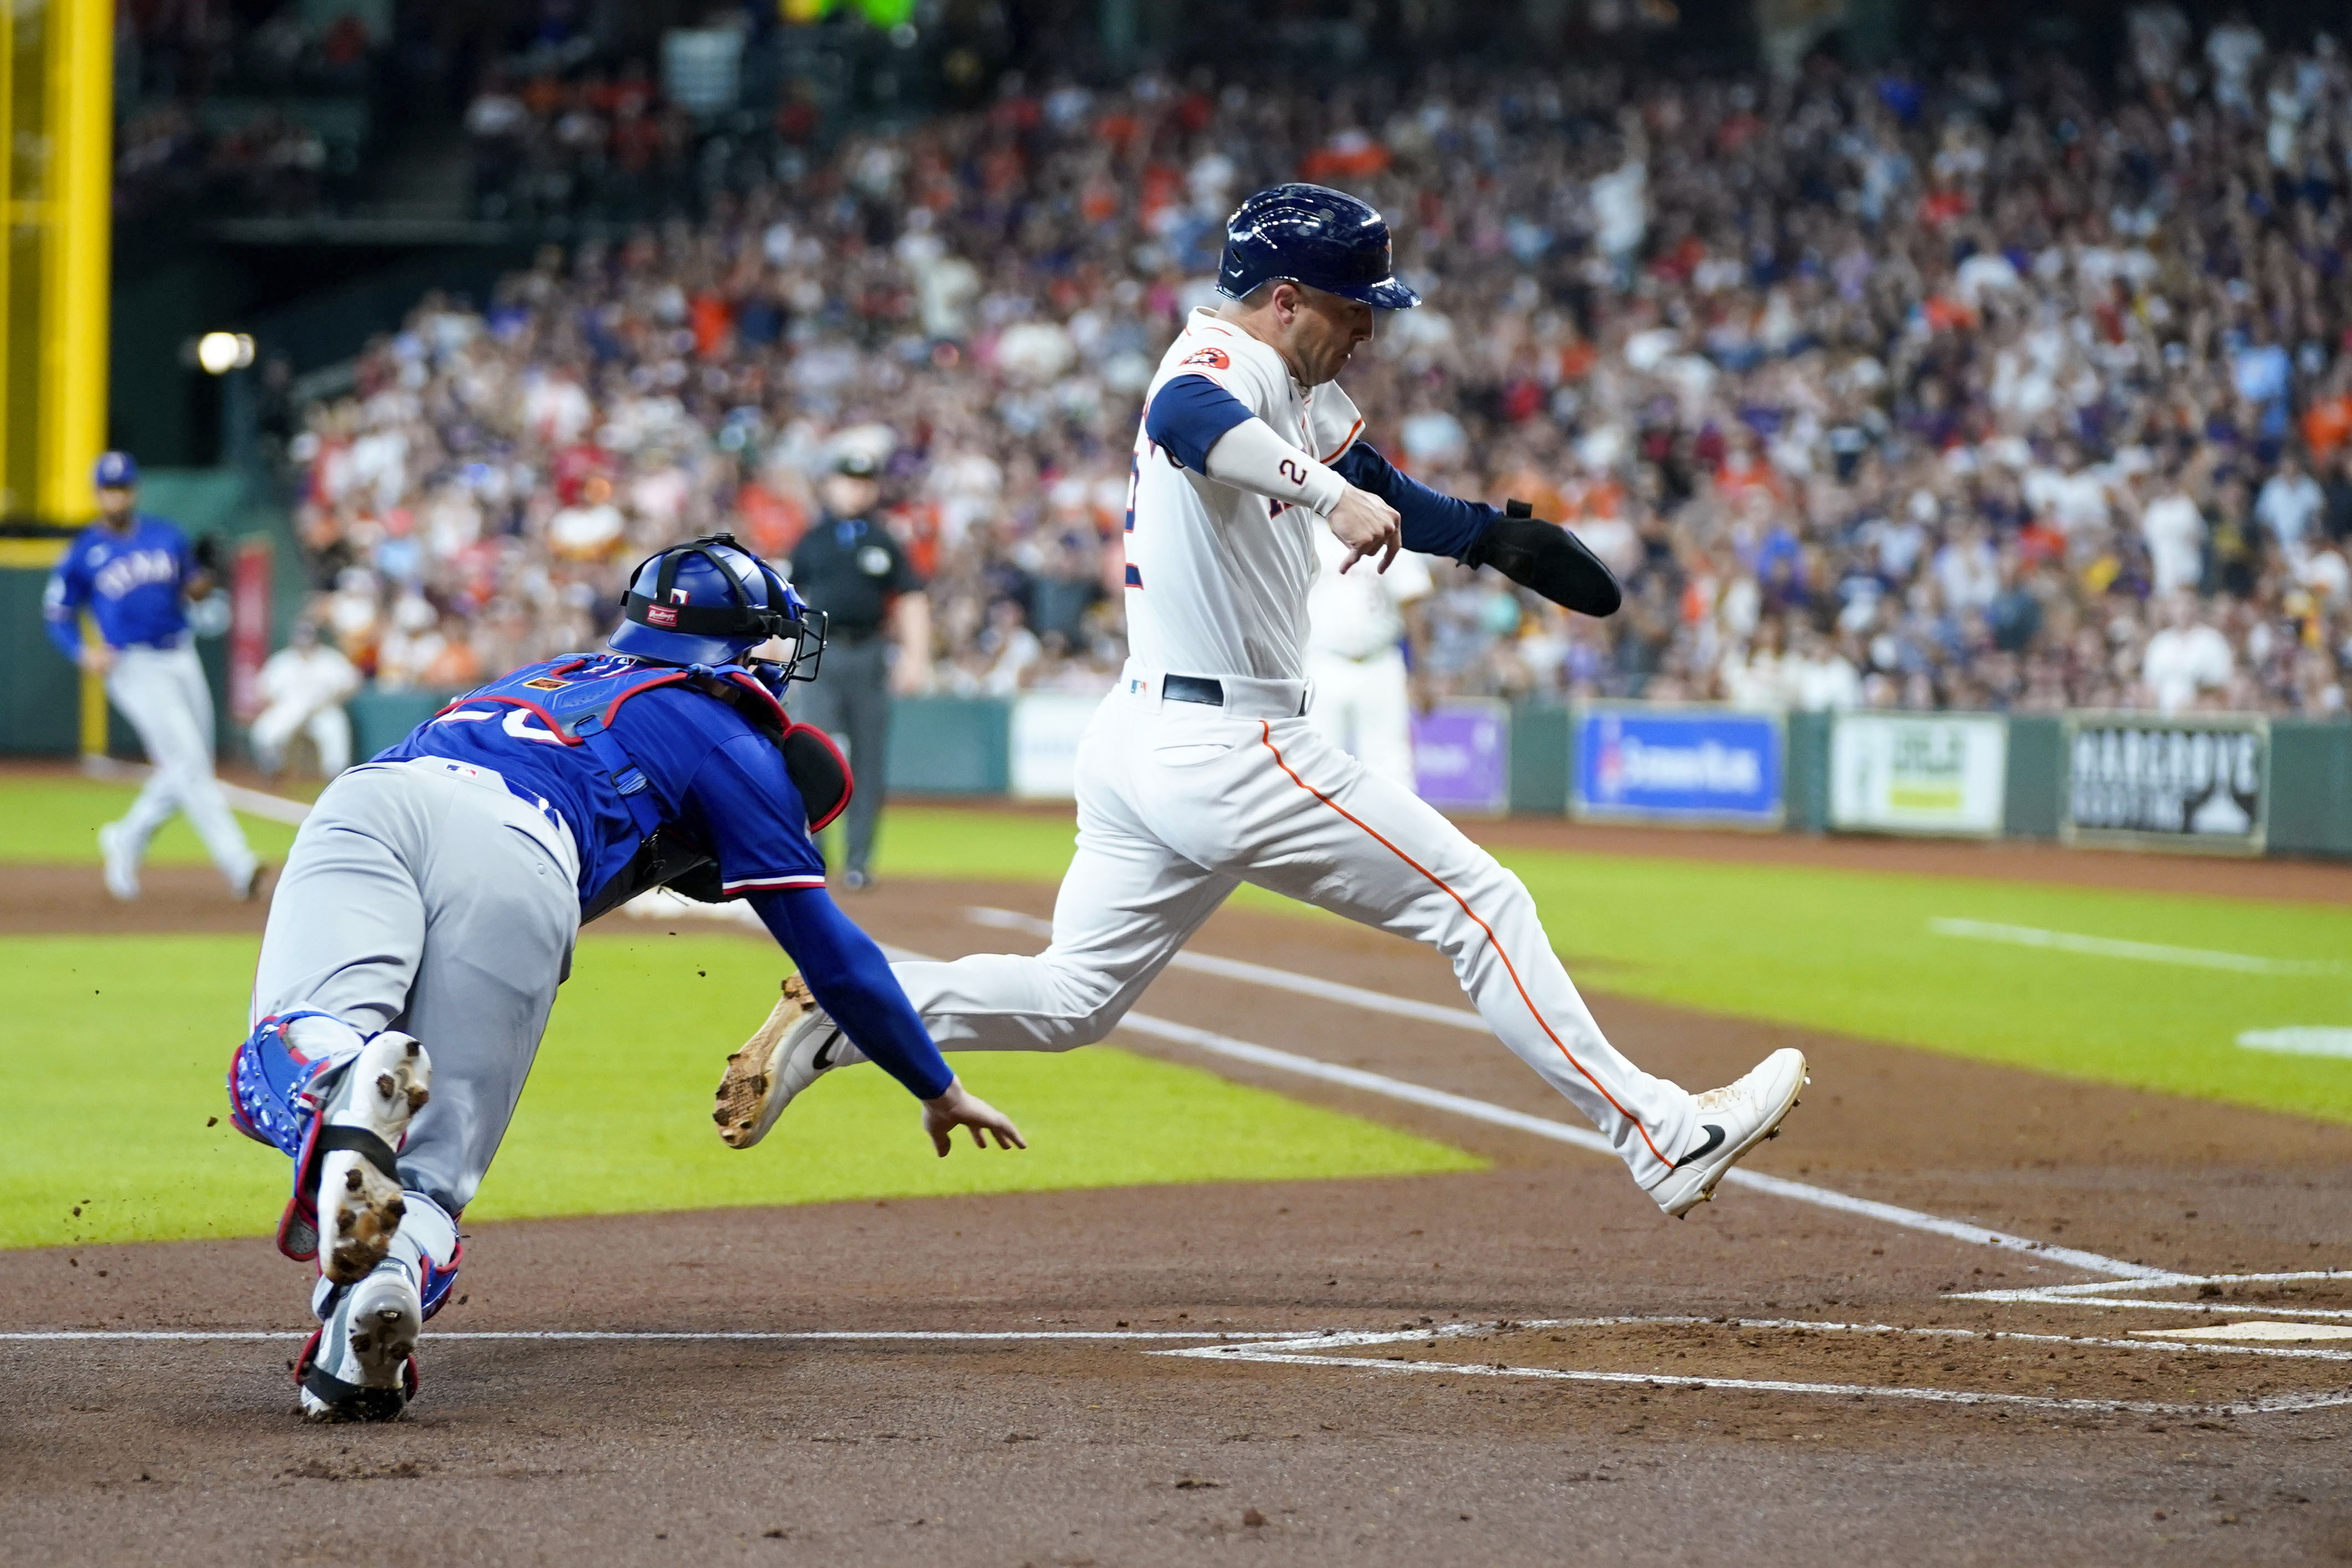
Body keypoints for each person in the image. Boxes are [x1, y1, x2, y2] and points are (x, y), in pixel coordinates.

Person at [716, 186, 1808, 1218]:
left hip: (1143, 736)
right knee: (1480, 904)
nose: (1369, 329)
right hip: (1231, 742)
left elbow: (1375, 479)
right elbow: (1192, 417)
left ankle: (844, 1015)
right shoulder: (1217, 357)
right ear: (1285, 299)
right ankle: (1660, 1133)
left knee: (1071, 998)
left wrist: (1483, 532)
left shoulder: (1294, 380)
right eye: (1353, 307)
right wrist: (1325, 496)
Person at [225, 534, 1022, 1422]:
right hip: (521, 848)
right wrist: (935, 1082)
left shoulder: (547, 674)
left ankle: (339, 1094)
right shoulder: (726, 730)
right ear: (741, 646)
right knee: (432, 1180)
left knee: (300, 1033)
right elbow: (832, 954)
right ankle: (384, 1297)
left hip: (374, 796)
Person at [42, 451, 260, 901]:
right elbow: (57, 613)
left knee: (187, 765)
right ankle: (238, 863)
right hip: (133, 665)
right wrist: (82, 652)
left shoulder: (167, 535)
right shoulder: (85, 551)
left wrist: (206, 579)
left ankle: (127, 838)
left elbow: (193, 588)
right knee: (189, 764)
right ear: (98, 493)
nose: (116, 496)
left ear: (134, 490)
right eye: (108, 488)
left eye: (122, 488)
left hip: (180, 654)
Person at [783, 450, 932, 889]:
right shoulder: (811, 540)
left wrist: (916, 655)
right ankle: (812, 856)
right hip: (819, 655)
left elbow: (910, 597)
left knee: (868, 760)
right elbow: (788, 599)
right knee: (813, 755)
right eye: (847, 480)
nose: (855, 489)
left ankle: (859, 862)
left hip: (869, 653)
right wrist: (780, 658)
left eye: (863, 481)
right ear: (830, 485)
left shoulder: (885, 541)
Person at [1304, 525, 1432, 789]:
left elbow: (1413, 608)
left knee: (1391, 765)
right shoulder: (1309, 532)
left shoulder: (1388, 531)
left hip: (1381, 662)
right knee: (1317, 764)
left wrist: (1421, 674)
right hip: (1323, 662)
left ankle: (1394, 831)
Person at [250, 619, 362, 778]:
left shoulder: (331, 659)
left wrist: (337, 696)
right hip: (290, 708)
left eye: (308, 636)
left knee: (335, 730)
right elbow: (263, 690)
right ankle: (272, 769)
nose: (305, 641)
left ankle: (335, 774)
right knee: (266, 730)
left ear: (317, 638)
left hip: (322, 709)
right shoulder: (283, 661)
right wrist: (273, 703)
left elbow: (353, 683)